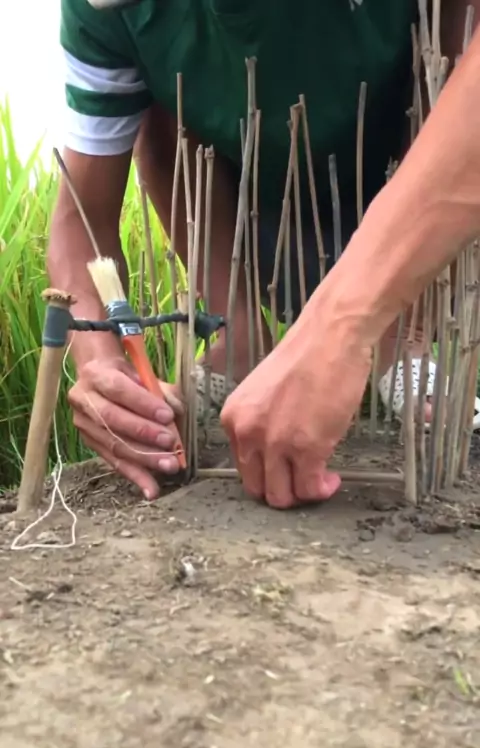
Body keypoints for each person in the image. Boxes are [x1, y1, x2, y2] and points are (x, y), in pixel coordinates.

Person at [50, 0, 479, 508]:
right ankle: (239, 340)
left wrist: (344, 324)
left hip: (432, 188)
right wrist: (99, 361)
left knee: (448, 45)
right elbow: (82, 221)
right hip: (254, 212)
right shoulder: (110, 10)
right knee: (160, 102)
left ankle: (404, 340)